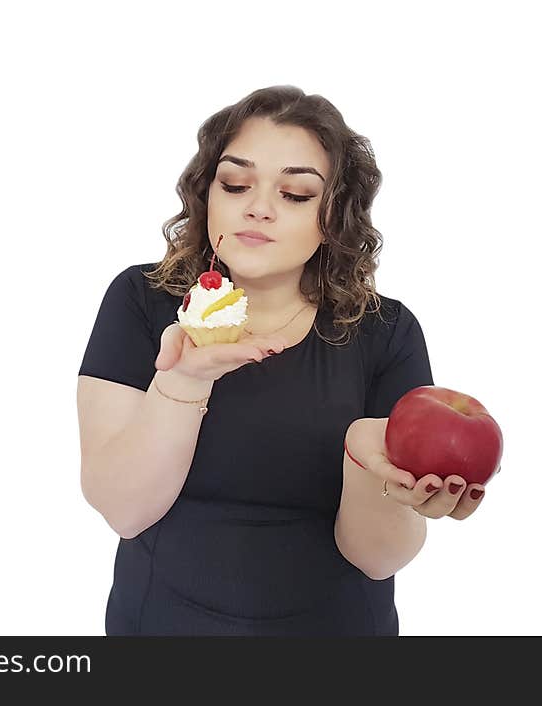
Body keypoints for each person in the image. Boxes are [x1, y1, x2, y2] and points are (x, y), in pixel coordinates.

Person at [76, 85, 488, 636]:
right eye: (236, 182)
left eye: (295, 194)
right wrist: (183, 382)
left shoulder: (387, 333)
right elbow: (124, 510)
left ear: (333, 216)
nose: (259, 206)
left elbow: (378, 558)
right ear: (209, 194)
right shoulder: (142, 298)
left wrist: (369, 466)